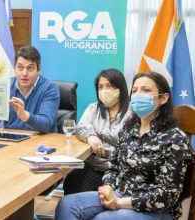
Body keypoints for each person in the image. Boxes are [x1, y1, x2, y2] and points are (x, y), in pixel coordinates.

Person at [55, 72, 193, 220]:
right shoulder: (129, 129)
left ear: (163, 98)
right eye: (134, 91)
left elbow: (169, 195)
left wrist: (121, 203)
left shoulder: (175, 138)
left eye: (146, 90)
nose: (138, 95)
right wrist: (107, 187)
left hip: (155, 209)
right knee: (67, 204)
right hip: (119, 192)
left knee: (103, 218)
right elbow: (113, 166)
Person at [62, 68, 131, 195]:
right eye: (100, 87)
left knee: (86, 190)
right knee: (71, 180)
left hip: (119, 169)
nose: (104, 91)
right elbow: (81, 126)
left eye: (109, 86)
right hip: (93, 164)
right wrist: (91, 136)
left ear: (120, 87)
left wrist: (106, 151)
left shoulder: (132, 112)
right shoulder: (94, 108)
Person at [0, 46, 60, 133]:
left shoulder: (49, 88)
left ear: (39, 69)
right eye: (20, 67)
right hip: (12, 140)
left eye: (30, 68)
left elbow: (46, 125)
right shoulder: (6, 86)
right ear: (15, 68)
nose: (24, 73)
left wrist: (24, 115)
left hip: (42, 143)